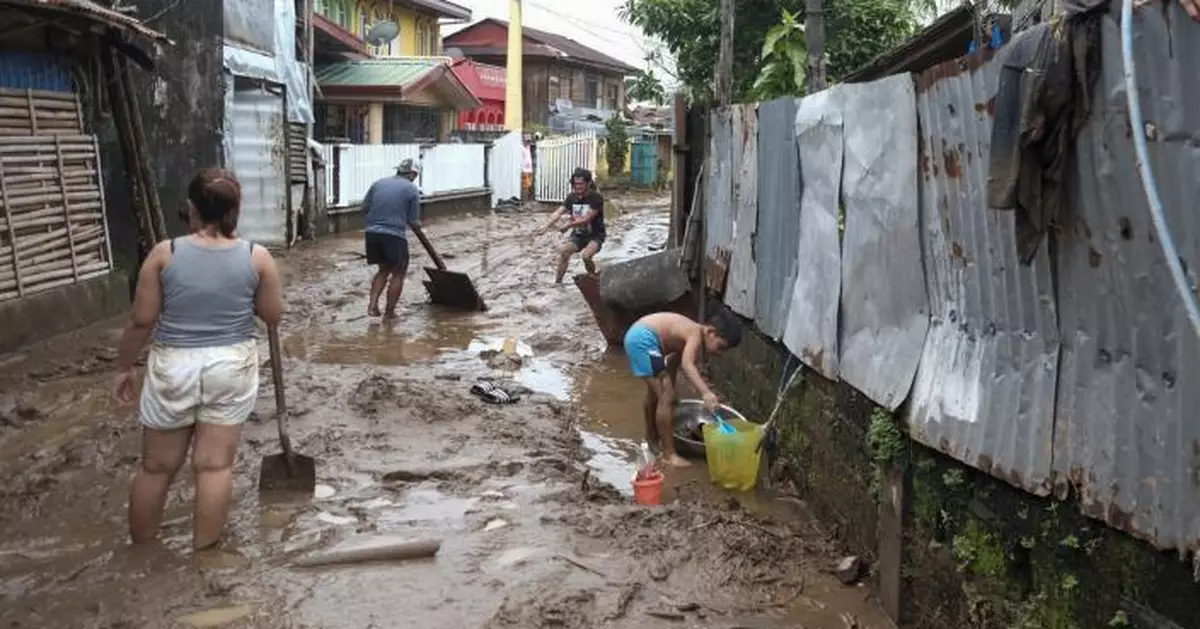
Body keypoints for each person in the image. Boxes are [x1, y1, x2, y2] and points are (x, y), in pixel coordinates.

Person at [112, 167, 284, 551]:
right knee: (215, 466)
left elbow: (142, 320)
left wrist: (124, 367)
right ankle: (204, 556)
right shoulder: (258, 257)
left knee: (156, 468)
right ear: (235, 209)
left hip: (174, 364)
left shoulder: (164, 253)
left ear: (191, 209)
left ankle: (142, 553)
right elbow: (272, 315)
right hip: (231, 365)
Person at [623, 309, 742, 467]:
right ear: (711, 332)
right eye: (720, 347)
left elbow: (673, 362)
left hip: (639, 336)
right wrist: (705, 392)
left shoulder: (688, 334)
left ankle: (651, 439)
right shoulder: (695, 334)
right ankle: (668, 455)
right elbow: (687, 365)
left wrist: (671, 388)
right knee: (666, 397)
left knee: (657, 394)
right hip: (643, 340)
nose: (719, 353)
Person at [363, 158, 422, 320]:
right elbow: (413, 221)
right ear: (412, 174)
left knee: (383, 270)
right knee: (398, 273)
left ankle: (372, 305)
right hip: (394, 235)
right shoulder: (411, 189)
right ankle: (390, 313)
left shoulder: (379, 183)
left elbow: (365, 207)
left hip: (372, 233)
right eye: (415, 175)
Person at [537, 167, 605, 283]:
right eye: (575, 184)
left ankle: (593, 279)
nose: (578, 186)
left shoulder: (596, 197)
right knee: (564, 252)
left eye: (581, 184)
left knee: (586, 256)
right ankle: (558, 283)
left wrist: (568, 225)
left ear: (588, 183)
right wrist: (546, 225)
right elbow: (558, 212)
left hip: (595, 235)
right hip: (579, 235)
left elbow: (586, 219)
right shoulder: (571, 197)